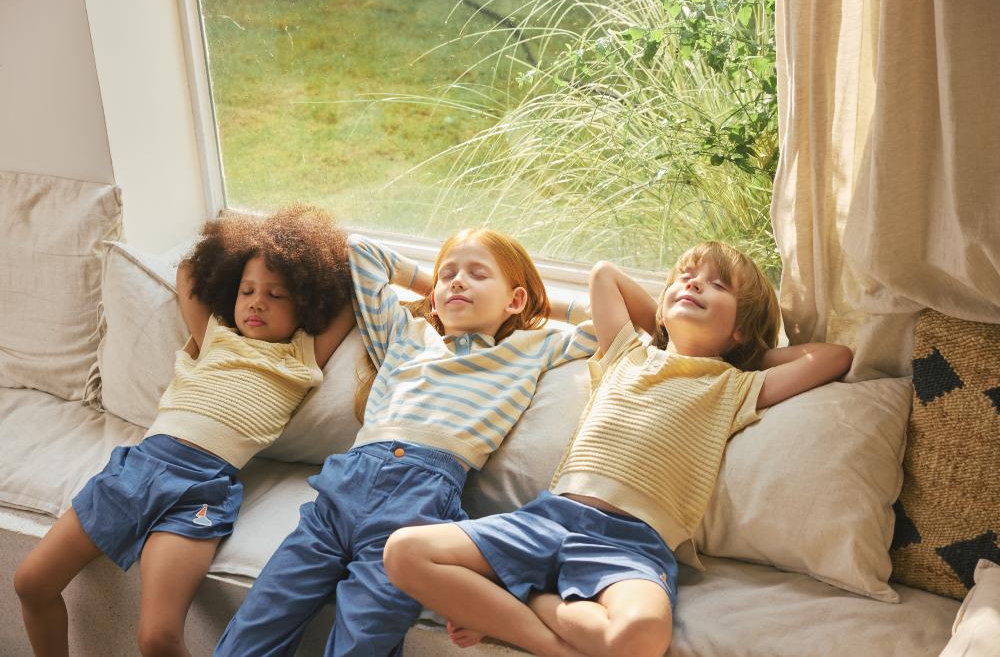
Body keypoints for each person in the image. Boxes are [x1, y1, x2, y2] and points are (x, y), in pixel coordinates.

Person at [384, 241, 854, 657]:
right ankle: (552, 645)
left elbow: (835, 357)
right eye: (685, 278)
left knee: (640, 639)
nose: (693, 284)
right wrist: (668, 321)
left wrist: (748, 351)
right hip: (548, 520)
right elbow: (604, 275)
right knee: (404, 551)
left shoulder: (736, 385)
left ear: (742, 328)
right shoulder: (627, 354)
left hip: (633, 546)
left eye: (716, 285)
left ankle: (522, 599)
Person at [214, 229, 599, 657]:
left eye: (477, 274)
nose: (458, 281)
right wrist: (432, 289)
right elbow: (361, 253)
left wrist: (538, 305)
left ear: (515, 300)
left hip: (418, 505)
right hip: (341, 491)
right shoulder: (406, 334)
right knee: (259, 622)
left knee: (363, 642)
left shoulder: (532, 347)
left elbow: (603, 322)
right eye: (449, 274)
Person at [14, 206, 356, 657]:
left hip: (201, 490)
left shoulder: (302, 356)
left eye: (277, 295)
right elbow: (189, 270)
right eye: (247, 290)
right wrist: (254, 237)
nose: (257, 302)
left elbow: (353, 296)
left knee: (157, 638)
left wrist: (321, 257)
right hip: (136, 469)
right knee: (30, 582)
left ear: (306, 305)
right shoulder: (215, 333)